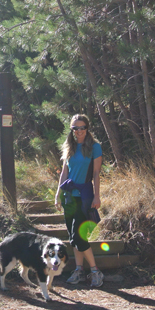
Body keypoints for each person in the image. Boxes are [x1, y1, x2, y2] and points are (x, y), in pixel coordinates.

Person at [54, 114, 104, 287]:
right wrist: (58, 194)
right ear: (72, 130)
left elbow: (96, 173)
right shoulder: (69, 147)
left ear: (87, 128)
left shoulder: (94, 147)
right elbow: (64, 173)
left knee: (78, 236)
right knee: (72, 236)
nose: (79, 131)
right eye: (75, 128)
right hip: (69, 196)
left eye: (82, 127)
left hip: (84, 196)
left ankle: (96, 271)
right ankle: (79, 270)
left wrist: (97, 196)